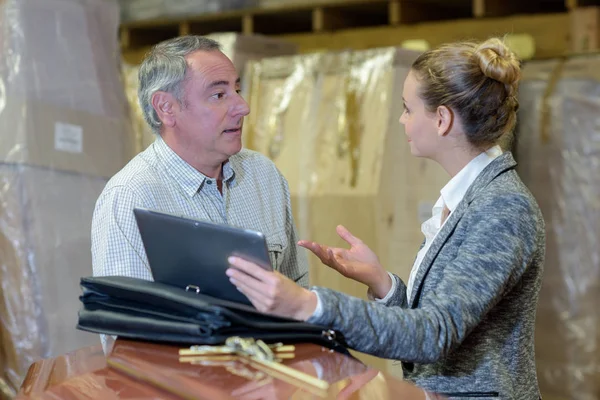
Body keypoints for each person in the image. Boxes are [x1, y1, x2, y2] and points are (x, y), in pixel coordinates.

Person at [226, 37, 545, 399]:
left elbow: (433, 334)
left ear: (442, 119)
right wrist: (384, 285)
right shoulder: (467, 198)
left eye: (408, 109)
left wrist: (308, 304)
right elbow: (445, 316)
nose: (401, 119)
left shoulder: (502, 208)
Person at [91, 35, 308, 288]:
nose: (243, 107)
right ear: (166, 108)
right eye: (219, 95)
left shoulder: (264, 176)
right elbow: (128, 322)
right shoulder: (131, 197)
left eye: (237, 90)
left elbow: (297, 293)